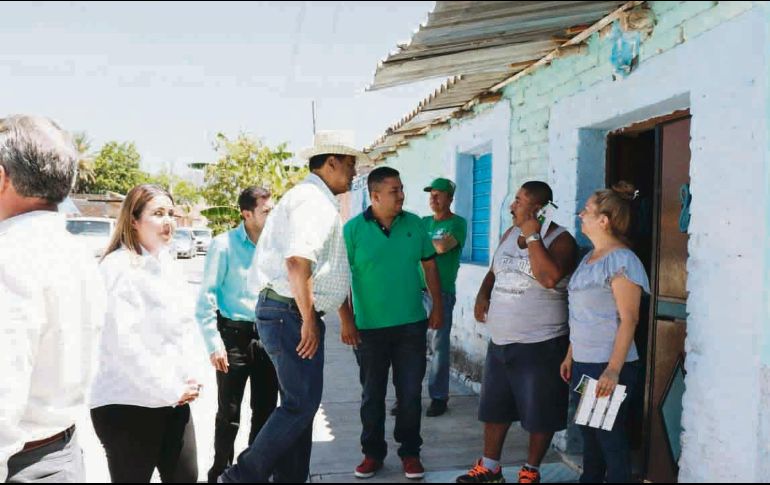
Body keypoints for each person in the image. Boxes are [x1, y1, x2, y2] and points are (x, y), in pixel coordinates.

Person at [219, 130, 364, 483]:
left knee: (300, 408)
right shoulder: (311, 201)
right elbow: (298, 262)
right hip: (290, 313)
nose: (354, 171)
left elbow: (331, 268)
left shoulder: (317, 198)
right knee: (300, 406)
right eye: (350, 163)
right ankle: (240, 476)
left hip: (290, 312)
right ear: (331, 162)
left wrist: (341, 316)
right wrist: (308, 319)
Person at [0, 115, 105, 483]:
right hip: (61, 454)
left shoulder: (9, 256)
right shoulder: (75, 252)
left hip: (18, 464)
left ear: (2, 178)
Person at [457, 181, 578, 484]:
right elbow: (494, 271)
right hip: (501, 343)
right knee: (494, 408)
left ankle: (531, 470)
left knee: (540, 411)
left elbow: (549, 278)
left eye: (520, 201)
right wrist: (483, 294)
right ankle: (490, 467)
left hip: (541, 342)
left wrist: (533, 234)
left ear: (538, 209)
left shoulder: (561, 240)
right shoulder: (509, 234)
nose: (512, 206)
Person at [90, 184, 202, 483]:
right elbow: (124, 345)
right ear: (134, 220)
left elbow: (181, 330)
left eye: (171, 213)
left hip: (172, 401)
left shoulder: (166, 263)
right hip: (129, 405)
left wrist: (188, 375)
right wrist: (169, 386)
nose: (168, 221)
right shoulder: (119, 268)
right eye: (157, 213)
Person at [341, 166, 443, 480]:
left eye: (401, 189)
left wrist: (437, 307)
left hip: (411, 325)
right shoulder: (353, 230)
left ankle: (410, 452)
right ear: (374, 196)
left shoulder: (414, 224)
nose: (401, 195)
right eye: (394, 191)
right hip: (369, 328)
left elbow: (430, 267)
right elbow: (339, 279)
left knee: (410, 393)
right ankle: (372, 453)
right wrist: (347, 321)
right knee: (372, 395)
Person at [560, 182, 650, 483]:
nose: (580, 214)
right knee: (591, 438)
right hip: (586, 362)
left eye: (587, 210)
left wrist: (612, 370)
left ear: (604, 220)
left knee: (609, 439)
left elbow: (629, 319)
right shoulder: (588, 259)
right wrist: (572, 355)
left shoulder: (622, 261)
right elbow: (582, 314)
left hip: (607, 366)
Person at [195, 187, 279, 483]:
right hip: (233, 338)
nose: (273, 215)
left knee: (266, 411)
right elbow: (206, 297)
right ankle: (220, 472)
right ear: (247, 214)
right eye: (267, 210)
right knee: (228, 413)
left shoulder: (275, 246)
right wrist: (213, 342)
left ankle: (254, 471)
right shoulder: (224, 245)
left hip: (269, 335)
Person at [420, 177, 467, 417]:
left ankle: (438, 397)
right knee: (411, 347)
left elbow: (441, 248)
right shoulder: (423, 222)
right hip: (415, 291)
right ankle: (407, 397)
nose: (433, 198)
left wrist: (422, 242)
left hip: (442, 293)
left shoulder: (458, 223)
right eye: (431, 194)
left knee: (439, 347)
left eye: (439, 194)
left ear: (450, 198)